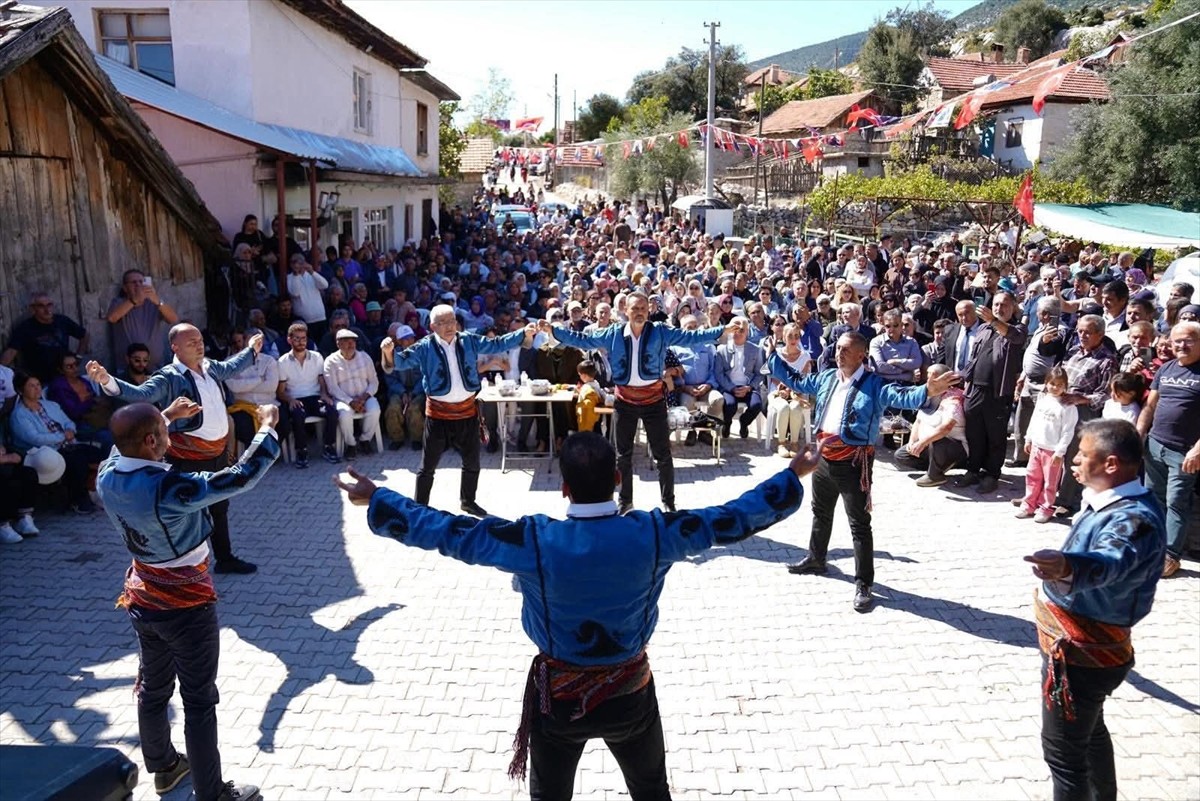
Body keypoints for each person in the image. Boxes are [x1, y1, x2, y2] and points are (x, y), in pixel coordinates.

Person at [333, 432, 821, 801]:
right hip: (630, 691)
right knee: (652, 791)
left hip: (558, 699)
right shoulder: (654, 533)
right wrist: (791, 474)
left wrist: (377, 498)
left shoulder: (535, 540)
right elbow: (732, 518)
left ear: (562, 487)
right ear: (616, 479)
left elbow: (449, 531)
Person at [98, 400, 280, 801]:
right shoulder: (170, 488)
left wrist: (166, 417)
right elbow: (238, 478)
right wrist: (266, 430)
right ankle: (212, 793)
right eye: (163, 436)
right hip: (186, 607)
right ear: (150, 441)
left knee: (153, 687)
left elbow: (122, 445)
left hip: (143, 598)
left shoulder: (107, 474)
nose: (169, 442)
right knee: (198, 701)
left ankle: (164, 768)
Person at [1024, 419, 1166, 801]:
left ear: (1112, 464)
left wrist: (1070, 566)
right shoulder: (1114, 502)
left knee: (1064, 758)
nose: (1073, 461)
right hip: (1083, 656)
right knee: (1090, 736)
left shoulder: (1133, 518)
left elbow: (1110, 560)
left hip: (1082, 661)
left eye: (1083, 455)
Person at [770, 331, 960, 612]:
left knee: (859, 523)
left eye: (846, 350)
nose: (839, 353)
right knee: (820, 511)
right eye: (838, 349)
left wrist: (928, 391)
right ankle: (816, 558)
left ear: (861, 355)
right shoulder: (826, 377)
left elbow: (901, 395)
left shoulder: (874, 385)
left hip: (854, 462)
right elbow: (798, 381)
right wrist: (773, 357)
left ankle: (864, 583)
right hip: (823, 458)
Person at [86, 323, 265, 574]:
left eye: (200, 339)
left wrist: (251, 350)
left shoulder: (210, 366)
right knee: (189, 511)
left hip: (217, 452)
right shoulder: (168, 376)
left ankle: (224, 559)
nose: (199, 344)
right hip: (187, 457)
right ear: (175, 347)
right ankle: (189, 564)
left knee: (220, 506)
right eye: (191, 342)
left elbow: (231, 367)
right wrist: (107, 380)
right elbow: (140, 395)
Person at [542, 293, 733, 515]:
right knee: (623, 455)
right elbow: (583, 340)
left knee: (663, 455)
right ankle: (625, 501)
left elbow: (690, 337)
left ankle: (669, 502)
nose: (640, 312)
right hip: (625, 401)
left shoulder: (660, 331)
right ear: (627, 311)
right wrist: (554, 331)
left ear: (648, 311)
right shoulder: (613, 333)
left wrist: (721, 331)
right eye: (635, 308)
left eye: (643, 308)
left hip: (654, 401)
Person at [381, 305, 535, 517]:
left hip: (467, 413)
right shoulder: (424, 347)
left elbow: (496, 343)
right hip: (438, 416)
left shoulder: (468, 340)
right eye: (443, 323)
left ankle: (468, 501)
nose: (449, 326)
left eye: (452, 321)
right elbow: (400, 362)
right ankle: (420, 507)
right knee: (427, 466)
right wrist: (388, 352)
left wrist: (522, 334)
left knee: (472, 462)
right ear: (433, 326)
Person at [1137, 321, 1200, 578]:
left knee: (1177, 502)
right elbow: (1150, 407)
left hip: (1185, 453)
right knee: (1155, 498)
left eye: (1189, 340)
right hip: (1155, 446)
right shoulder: (1166, 369)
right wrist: (1139, 434)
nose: (1182, 346)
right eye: (1177, 341)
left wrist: (1198, 450)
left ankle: (1171, 556)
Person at [956, 292, 1027, 494]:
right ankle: (973, 470)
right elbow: (974, 357)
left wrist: (994, 321)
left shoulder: (1017, 329)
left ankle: (991, 474)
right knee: (974, 433)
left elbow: (1014, 337)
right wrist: (964, 379)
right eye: (996, 304)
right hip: (975, 389)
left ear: (1013, 307)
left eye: (1004, 304)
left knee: (995, 436)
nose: (999, 308)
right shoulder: (984, 328)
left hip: (998, 392)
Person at [8, 373, 106, 514]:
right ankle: (77, 500)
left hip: (68, 443)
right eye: (31, 386)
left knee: (99, 455)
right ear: (21, 390)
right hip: (47, 452)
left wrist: (70, 430)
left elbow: (68, 422)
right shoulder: (19, 415)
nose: (37, 389)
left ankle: (94, 491)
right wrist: (62, 437)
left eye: (38, 385)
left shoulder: (50, 405)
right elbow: (35, 438)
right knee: (76, 460)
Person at [1017, 366, 1078, 524]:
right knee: (1032, 476)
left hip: (1052, 451)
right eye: (1052, 383)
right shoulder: (1042, 399)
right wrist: (1028, 438)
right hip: (1037, 446)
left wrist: (1060, 451)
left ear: (1065, 385)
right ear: (1046, 383)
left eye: (1059, 384)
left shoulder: (1068, 406)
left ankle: (1045, 507)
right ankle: (1028, 504)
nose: (1055, 387)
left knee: (1050, 482)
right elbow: (1034, 420)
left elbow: (1068, 431)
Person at [276, 322, 340, 468]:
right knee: (297, 414)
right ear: (289, 340)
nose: (301, 342)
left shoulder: (317, 357)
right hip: (296, 398)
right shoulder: (282, 362)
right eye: (297, 338)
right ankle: (301, 451)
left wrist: (324, 394)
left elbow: (321, 380)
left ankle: (328, 446)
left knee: (332, 410)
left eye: (303, 338)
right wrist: (290, 399)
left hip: (315, 396)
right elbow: (280, 391)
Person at [894, 364, 968, 487]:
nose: (928, 380)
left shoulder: (953, 398)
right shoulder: (928, 395)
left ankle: (935, 475)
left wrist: (922, 442)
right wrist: (912, 442)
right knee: (902, 455)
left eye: (932, 377)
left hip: (952, 446)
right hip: (929, 445)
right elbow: (918, 421)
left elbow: (946, 428)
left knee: (937, 441)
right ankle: (935, 467)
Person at [1, 291, 90, 383]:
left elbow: (84, 335)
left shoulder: (62, 321)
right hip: (40, 379)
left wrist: (79, 356)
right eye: (41, 306)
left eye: (49, 305)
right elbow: (11, 352)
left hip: (65, 376)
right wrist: (1, 371)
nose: (47, 309)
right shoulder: (25, 328)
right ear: (33, 309)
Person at [322, 329, 380, 460]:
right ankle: (351, 444)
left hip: (364, 396)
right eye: (346, 342)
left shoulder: (365, 357)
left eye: (353, 341)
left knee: (375, 410)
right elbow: (332, 388)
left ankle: (365, 440)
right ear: (338, 344)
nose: (351, 345)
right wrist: (351, 402)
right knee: (344, 415)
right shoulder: (331, 361)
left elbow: (374, 382)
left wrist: (364, 397)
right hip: (343, 399)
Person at [106, 269, 179, 368]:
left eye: (141, 282)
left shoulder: (153, 303)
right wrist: (134, 300)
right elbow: (112, 318)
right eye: (133, 282)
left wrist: (158, 301)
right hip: (128, 369)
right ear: (125, 288)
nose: (138, 285)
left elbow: (173, 319)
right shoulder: (119, 302)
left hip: (155, 367)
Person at [713, 317, 765, 439]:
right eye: (734, 329)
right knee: (730, 405)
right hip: (729, 386)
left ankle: (744, 422)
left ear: (747, 331)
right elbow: (719, 374)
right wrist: (731, 388)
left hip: (748, 387)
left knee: (756, 405)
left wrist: (749, 387)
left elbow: (759, 373)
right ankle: (727, 423)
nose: (737, 333)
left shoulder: (756, 350)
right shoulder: (722, 350)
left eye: (741, 330)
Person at [382, 324, 425, 451]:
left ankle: (417, 438)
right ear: (399, 341)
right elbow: (390, 378)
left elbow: (425, 376)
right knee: (393, 408)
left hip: (418, 391)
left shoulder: (421, 353)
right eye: (406, 339)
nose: (410, 341)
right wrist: (402, 393)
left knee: (414, 408)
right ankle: (397, 438)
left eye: (411, 338)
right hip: (398, 391)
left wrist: (414, 393)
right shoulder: (393, 355)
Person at [0, 440, 42, 543]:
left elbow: (8, 446)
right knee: (5, 481)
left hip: (5, 464)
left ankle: (24, 518)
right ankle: (2, 524)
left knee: (28, 473)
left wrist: (16, 454)